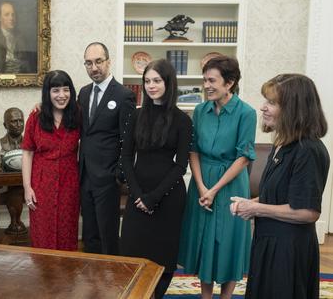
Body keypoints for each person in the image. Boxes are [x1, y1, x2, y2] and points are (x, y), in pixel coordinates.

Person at [230, 74, 329, 299]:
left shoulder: (308, 151)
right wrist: (249, 203)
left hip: (289, 250)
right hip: (269, 242)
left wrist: (256, 209)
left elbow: (307, 212)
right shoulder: (282, 145)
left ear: (294, 109)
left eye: (272, 102)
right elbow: (274, 196)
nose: (263, 107)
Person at [177, 55, 256, 299]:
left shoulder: (247, 113)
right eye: (204, 80)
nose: (207, 85)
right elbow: (193, 150)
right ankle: (205, 296)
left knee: (228, 242)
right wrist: (201, 186)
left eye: (212, 80)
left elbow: (244, 157)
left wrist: (214, 190)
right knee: (204, 240)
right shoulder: (200, 111)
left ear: (229, 83)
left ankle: (226, 296)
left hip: (231, 183)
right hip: (202, 182)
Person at [120, 59, 192, 298]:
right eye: (147, 81)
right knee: (131, 254)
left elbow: (181, 165)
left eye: (157, 81)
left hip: (168, 197)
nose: (151, 86)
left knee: (164, 260)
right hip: (137, 194)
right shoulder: (136, 115)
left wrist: (153, 198)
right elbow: (126, 157)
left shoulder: (183, 120)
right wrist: (139, 195)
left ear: (168, 82)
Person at [78, 42, 135, 255]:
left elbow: (128, 139)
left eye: (99, 61)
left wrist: (119, 174)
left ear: (108, 62)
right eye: (89, 63)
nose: (94, 67)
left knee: (107, 234)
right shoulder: (83, 94)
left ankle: (112, 282)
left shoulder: (123, 95)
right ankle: (92, 280)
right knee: (89, 233)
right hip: (85, 176)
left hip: (108, 178)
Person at [22, 70, 81, 250]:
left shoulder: (79, 114)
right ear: (47, 92)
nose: (61, 95)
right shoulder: (36, 116)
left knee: (67, 235)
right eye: (55, 90)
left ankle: (66, 277)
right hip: (41, 186)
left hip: (69, 185)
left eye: (66, 89)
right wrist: (27, 188)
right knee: (42, 237)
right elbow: (27, 153)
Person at [0, 1, 37, 74]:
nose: (11, 18)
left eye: (13, 15)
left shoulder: (22, 39)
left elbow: (31, 67)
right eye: (7, 15)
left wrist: (22, 66)